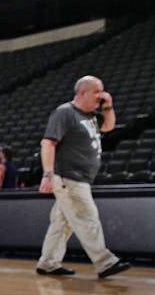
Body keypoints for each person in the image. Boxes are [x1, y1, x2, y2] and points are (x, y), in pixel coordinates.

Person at [36, 75, 131, 279]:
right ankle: (105, 262)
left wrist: (108, 106)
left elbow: (108, 127)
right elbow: (48, 143)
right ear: (82, 93)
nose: (102, 96)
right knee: (87, 216)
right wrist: (48, 174)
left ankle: (48, 263)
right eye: (97, 91)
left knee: (62, 222)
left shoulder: (90, 116)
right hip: (70, 177)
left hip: (81, 177)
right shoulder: (65, 113)